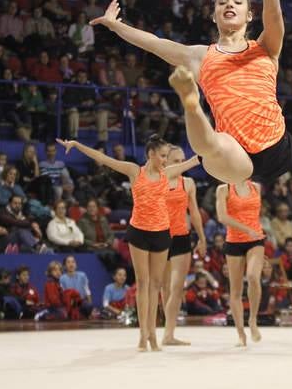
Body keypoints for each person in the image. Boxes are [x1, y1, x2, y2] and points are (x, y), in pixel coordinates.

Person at [90, 0, 292, 185]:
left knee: (213, 147)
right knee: (212, 148)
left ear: (250, 15)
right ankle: (191, 103)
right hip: (235, 157)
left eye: (238, 2)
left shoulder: (265, 48)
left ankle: (194, 108)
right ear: (213, 15)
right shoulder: (200, 56)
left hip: (279, 149)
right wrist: (115, 25)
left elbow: (273, 15)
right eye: (222, 2)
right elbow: (153, 43)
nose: (229, 4)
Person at [56, 136, 198, 352]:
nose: (165, 160)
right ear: (150, 154)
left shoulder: (167, 173)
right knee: (143, 283)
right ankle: (143, 335)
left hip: (161, 232)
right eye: (162, 156)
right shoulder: (135, 171)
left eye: (167, 157)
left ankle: (152, 334)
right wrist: (76, 144)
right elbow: (103, 158)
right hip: (139, 232)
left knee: (156, 285)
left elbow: (197, 160)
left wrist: (222, 145)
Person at [161, 145, 207, 346]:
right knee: (164, 288)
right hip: (160, 236)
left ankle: (169, 333)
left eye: (182, 161)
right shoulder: (159, 179)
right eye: (175, 161)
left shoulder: (188, 183)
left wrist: (202, 238)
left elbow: (194, 212)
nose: (180, 165)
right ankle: (166, 331)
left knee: (177, 287)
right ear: (166, 162)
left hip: (181, 236)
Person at [215, 178, 265, 346]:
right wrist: (246, 229)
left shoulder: (256, 187)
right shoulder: (224, 189)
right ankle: (240, 334)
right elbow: (222, 217)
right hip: (234, 241)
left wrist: (252, 230)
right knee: (235, 291)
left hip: (256, 238)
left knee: (252, 276)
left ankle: (252, 320)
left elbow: (255, 213)